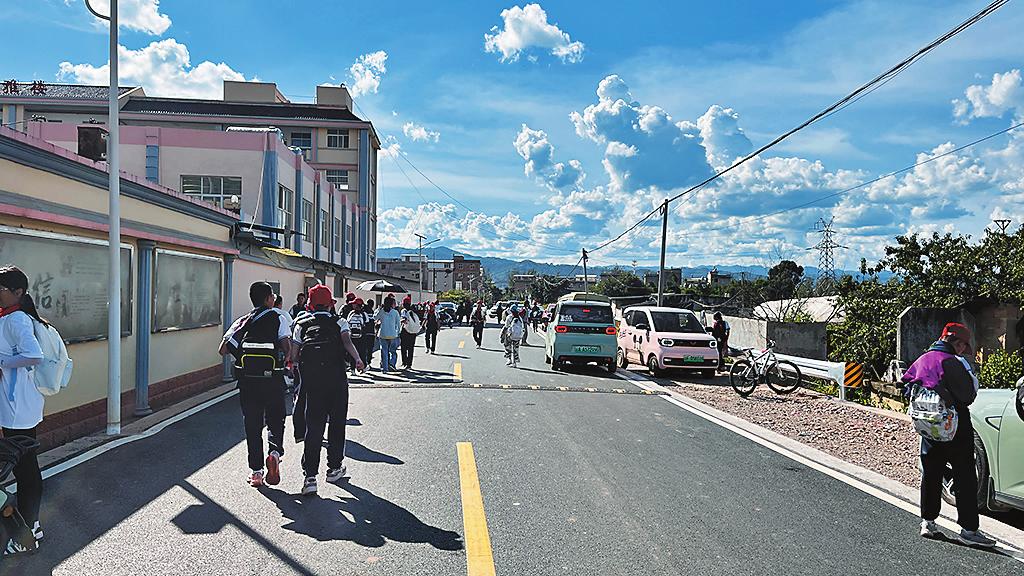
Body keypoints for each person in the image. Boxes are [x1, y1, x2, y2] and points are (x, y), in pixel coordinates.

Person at [901, 322, 995, 548]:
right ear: (957, 342)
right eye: (963, 345)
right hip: (955, 427)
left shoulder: (923, 359)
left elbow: (906, 386)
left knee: (931, 473)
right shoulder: (952, 362)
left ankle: (928, 522)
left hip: (928, 426)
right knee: (965, 476)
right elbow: (967, 396)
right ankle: (969, 530)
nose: (963, 350)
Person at [293, 285, 364, 496]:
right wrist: (358, 359)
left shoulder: (301, 324)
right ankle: (334, 468)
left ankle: (310, 477)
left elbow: (294, 355)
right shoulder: (339, 322)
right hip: (337, 381)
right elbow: (347, 342)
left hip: (313, 384)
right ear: (330, 303)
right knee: (337, 424)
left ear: (310, 304)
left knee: (314, 427)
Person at [221, 281, 292, 488]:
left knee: (252, 425)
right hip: (273, 380)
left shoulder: (243, 321)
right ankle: (274, 453)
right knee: (275, 419)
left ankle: (256, 473)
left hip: (248, 382)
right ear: (269, 299)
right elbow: (287, 348)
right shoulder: (278, 317)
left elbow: (223, 349)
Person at [0, 266, 46, 554]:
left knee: (25, 469)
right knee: (24, 467)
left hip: (18, 407)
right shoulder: (9, 316)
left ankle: (28, 532)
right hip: (16, 404)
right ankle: (31, 527)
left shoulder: (16, 318)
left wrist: (2, 361)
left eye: (1, 289)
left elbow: (34, 355)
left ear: (17, 292)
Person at [375, 296, 401, 373]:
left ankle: (385, 368)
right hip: (393, 334)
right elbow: (398, 324)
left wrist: (378, 309)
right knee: (393, 351)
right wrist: (398, 333)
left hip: (383, 334)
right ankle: (392, 364)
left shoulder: (381, 311)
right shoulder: (395, 312)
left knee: (384, 352)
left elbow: (375, 318)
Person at [347, 298, 373, 374]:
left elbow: (348, 323)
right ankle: (363, 367)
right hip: (362, 336)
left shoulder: (351, 313)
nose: (352, 305)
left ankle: (352, 369)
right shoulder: (364, 314)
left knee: (352, 351)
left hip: (352, 336)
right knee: (362, 352)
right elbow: (367, 324)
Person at [399, 297, 421, 369]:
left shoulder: (404, 311)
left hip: (405, 331)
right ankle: (409, 364)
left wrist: (399, 322)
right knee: (411, 348)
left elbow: (404, 319)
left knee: (404, 348)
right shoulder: (413, 311)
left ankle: (404, 362)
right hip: (413, 332)